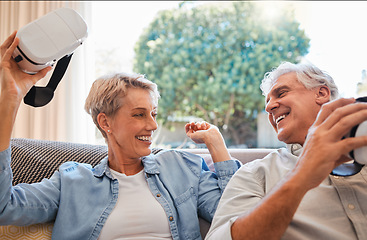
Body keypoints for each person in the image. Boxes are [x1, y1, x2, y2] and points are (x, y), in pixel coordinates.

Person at [0, 31, 241, 240]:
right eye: (139, 115)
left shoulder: (183, 168)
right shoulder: (72, 181)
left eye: (153, 114)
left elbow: (233, 216)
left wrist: (216, 144)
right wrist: (11, 97)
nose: (153, 125)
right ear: (106, 122)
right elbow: (4, 208)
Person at [205, 61, 367, 240]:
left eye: (281, 93)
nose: (269, 107)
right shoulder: (255, 174)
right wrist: (302, 174)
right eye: (267, 102)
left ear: (321, 93)